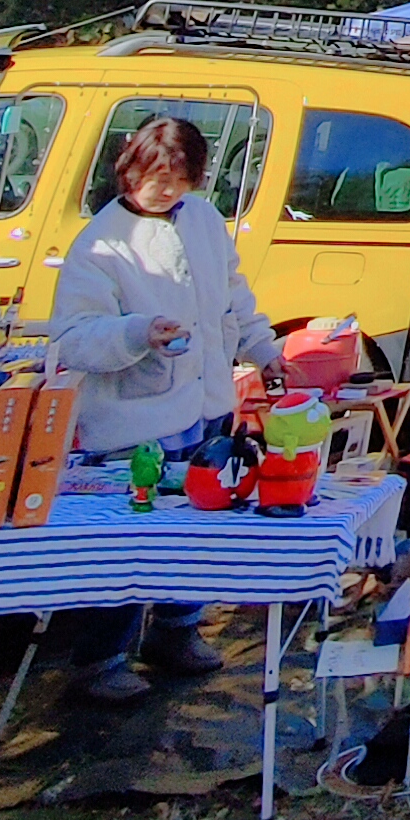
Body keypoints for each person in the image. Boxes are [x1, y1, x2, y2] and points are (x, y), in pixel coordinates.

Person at [48, 114, 281, 704]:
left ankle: (176, 630)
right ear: (128, 171)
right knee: (128, 542)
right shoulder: (100, 244)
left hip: (205, 407)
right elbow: (74, 338)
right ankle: (99, 658)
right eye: (154, 175)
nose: (164, 187)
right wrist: (136, 332)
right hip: (135, 420)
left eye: (178, 177)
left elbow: (232, 294)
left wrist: (264, 349)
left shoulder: (202, 219)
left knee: (198, 528)